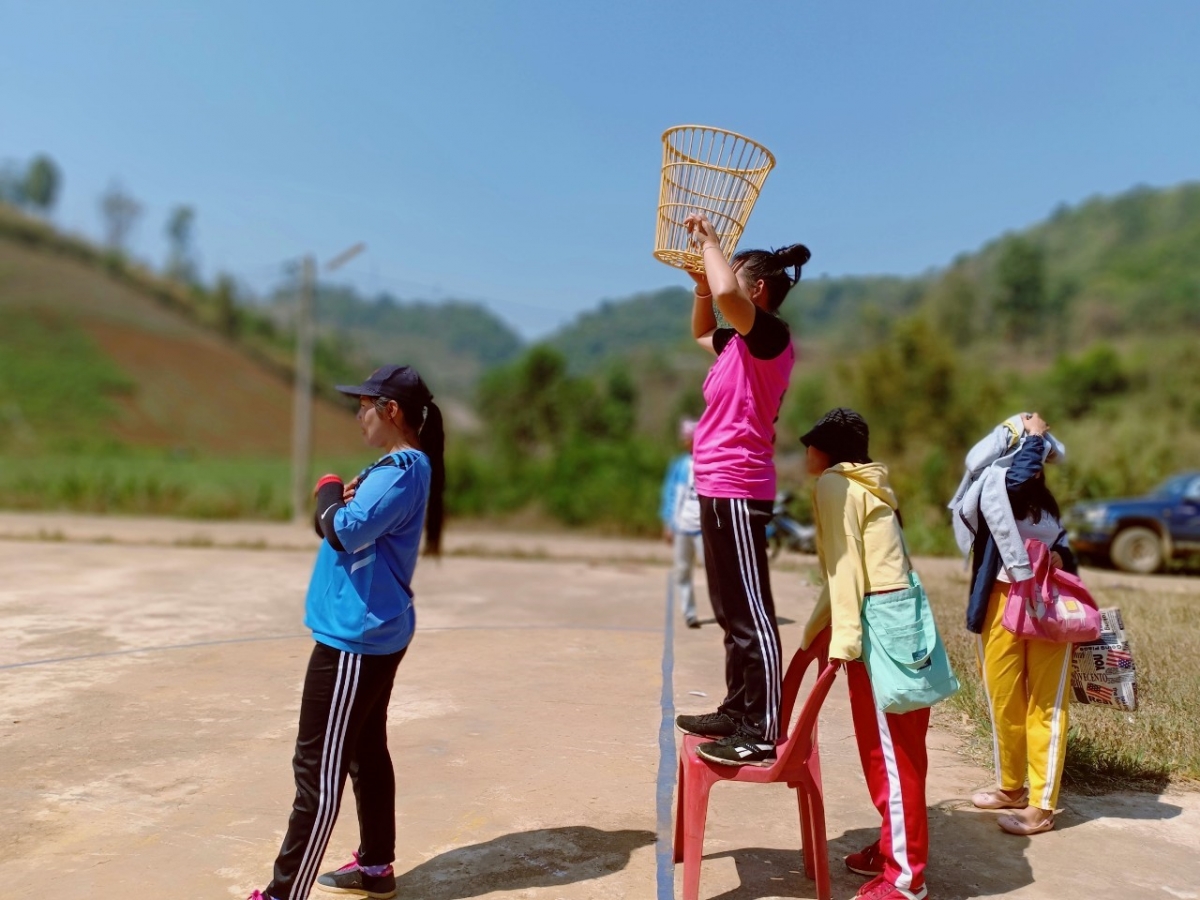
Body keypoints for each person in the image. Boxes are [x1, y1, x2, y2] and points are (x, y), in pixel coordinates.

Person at [247, 364, 445, 900]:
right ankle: (376, 867)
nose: (358, 417)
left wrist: (329, 489)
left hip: (354, 640)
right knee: (363, 749)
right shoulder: (397, 467)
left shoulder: (400, 470)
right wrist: (337, 502)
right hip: (368, 630)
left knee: (317, 769)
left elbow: (342, 530)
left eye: (363, 406)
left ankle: (284, 893)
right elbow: (342, 523)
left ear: (391, 411)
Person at [673, 211, 811, 767]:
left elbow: (728, 295)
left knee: (752, 613)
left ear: (757, 291)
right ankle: (737, 710)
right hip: (716, 484)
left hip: (739, 484)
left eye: (733, 275)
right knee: (730, 610)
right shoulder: (736, 342)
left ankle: (762, 729)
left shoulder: (771, 336)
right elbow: (701, 330)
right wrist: (702, 286)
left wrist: (711, 243)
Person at [798, 408, 932, 900]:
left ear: (826, 450)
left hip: (879, 629)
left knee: (889, 758)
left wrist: (844, 643)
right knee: (903, 751)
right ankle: (894, 848)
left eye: (810, 445)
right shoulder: (870, 484)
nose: (806, 455)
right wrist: (814, 633)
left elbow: (845, 572)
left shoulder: (835, 485)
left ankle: (905, 879)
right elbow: (850, 570)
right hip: (903, 620)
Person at [960, 412, 1076, 836]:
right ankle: (1011, 787)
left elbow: (1063, 548)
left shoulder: (1047, 505)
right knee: (1004, 699)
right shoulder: (991, 490)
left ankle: (1042, 806)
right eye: (1027, 451)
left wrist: (1060, 556)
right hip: (999, 602)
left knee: (1047, 704)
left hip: (1047, 607)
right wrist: (1034, 436)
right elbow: (1013, 480)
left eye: (1037, 455)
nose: (1032, 463)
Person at [660, 417, 706, 628]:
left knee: (714, 572)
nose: (686, 441)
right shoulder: (679, 465)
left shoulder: (709, 462)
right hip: (682, 527)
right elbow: (671, 494)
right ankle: (689, 613)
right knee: (683, 570)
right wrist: (669, 523)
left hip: (703, 529)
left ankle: (725, 613)